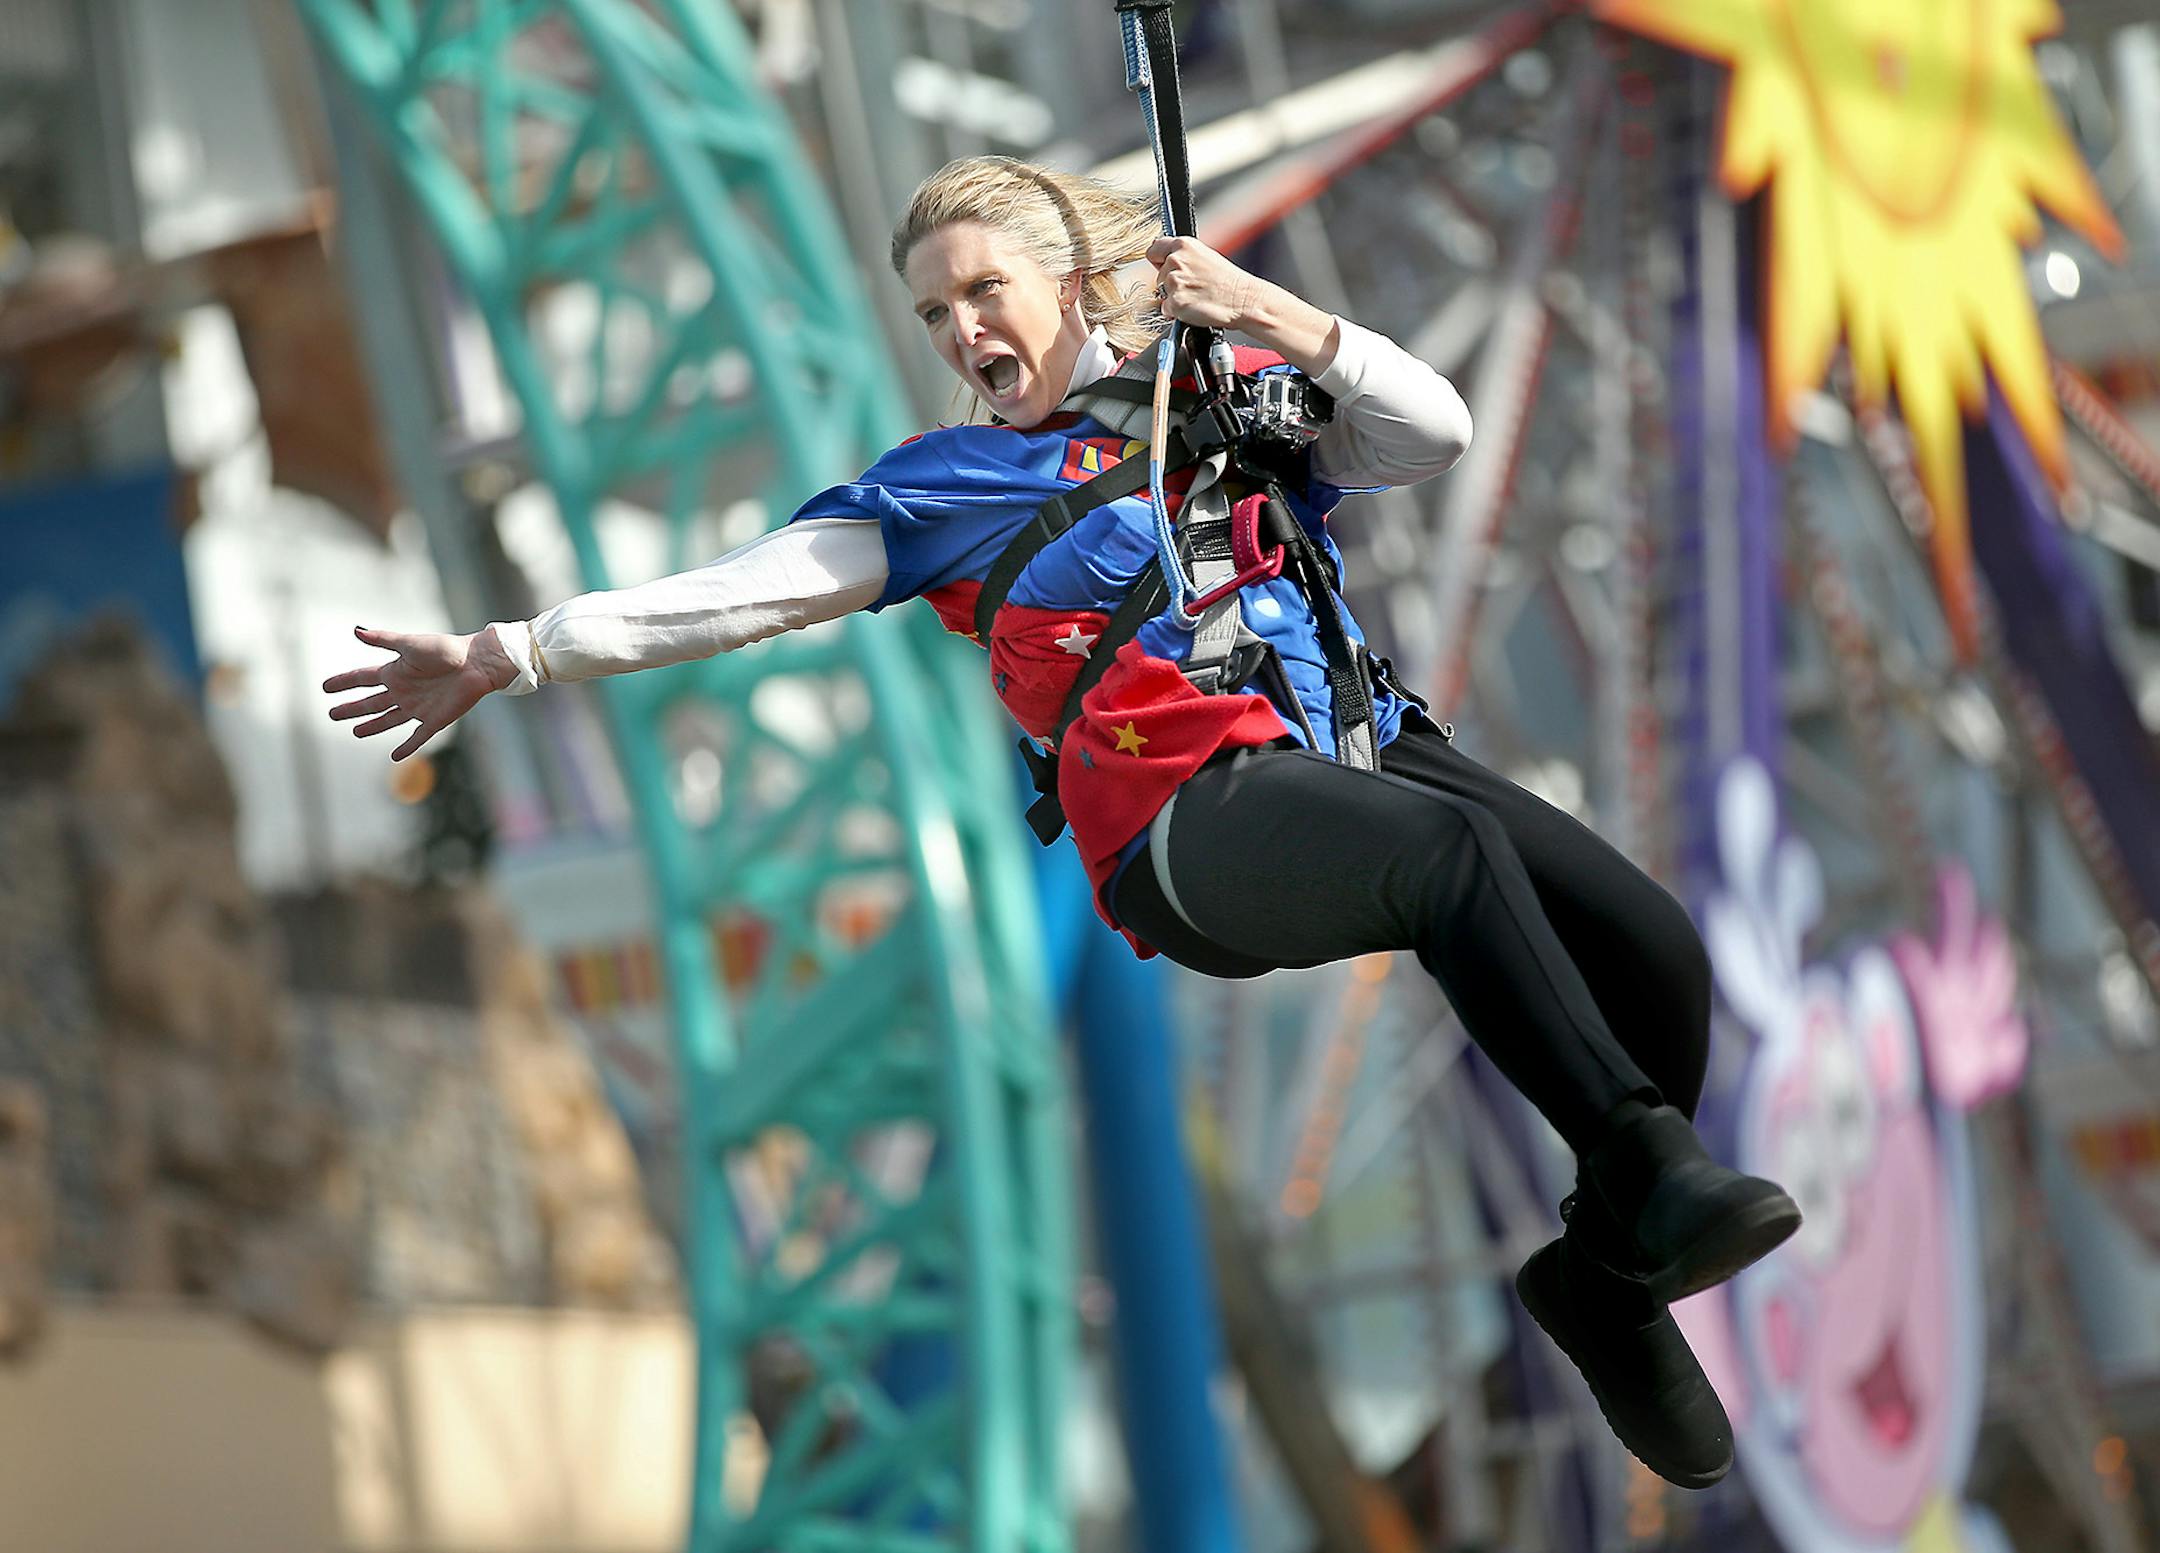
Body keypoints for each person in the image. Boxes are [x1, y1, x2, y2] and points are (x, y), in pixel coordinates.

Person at [324, 155, 1797, 1488]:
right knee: (1453, 862)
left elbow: (1433, 429)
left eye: (984, 290)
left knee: (1657, 956)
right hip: (1191, 817)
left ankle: (1601, 1277)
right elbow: (736, 593)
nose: (965, 331)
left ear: (1072, 285)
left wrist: (1264, 312)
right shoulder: (948, 485)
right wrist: (517, 650)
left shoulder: (1214, 405)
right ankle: (1642, 1166)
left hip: (1364, 747)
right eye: (935, 314)